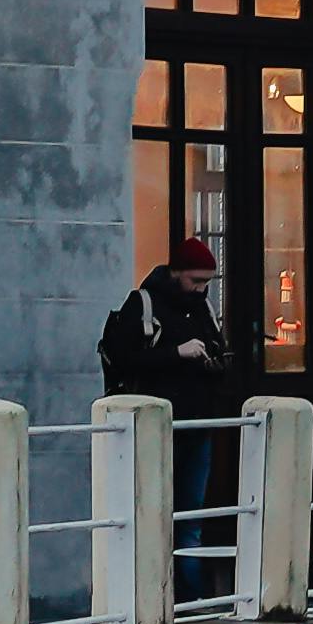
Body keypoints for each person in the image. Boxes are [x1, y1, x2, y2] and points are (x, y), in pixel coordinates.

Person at [101, 234, 240, 599]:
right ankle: (152, 595)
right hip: (155, 428)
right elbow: (124, 359)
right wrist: (177, 352)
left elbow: (218, 355)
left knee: (190, 515)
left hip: (197, 423)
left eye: (207, 282)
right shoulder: (142, 304)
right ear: (176, 272)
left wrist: (212, 361)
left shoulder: (205, 310)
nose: (201, 289)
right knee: (153, 510)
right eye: (195, 281)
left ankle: (189, 597)